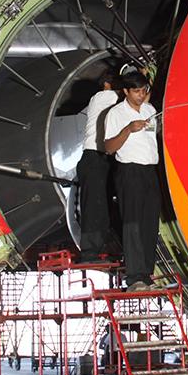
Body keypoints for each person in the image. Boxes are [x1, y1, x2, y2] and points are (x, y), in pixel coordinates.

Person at [104, 71, 160, 292]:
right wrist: (128, 129)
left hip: (150, 171)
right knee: (133, 223)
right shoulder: (116, 114)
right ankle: (134, 277)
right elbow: (109, 148)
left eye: (143, 90)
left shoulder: (150, 110)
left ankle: (146, 275)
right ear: (125, 91)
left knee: (149, 223)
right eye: (136, 91)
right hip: (129, 171)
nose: (140, 95)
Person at [76, 69, 119, 262]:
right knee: (94, 207)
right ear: (108, 85)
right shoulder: (104, 97)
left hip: (100, 159)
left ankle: (98, 249)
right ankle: (89, 254)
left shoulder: (101, 99)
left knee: (101, 207)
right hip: (95, 157)